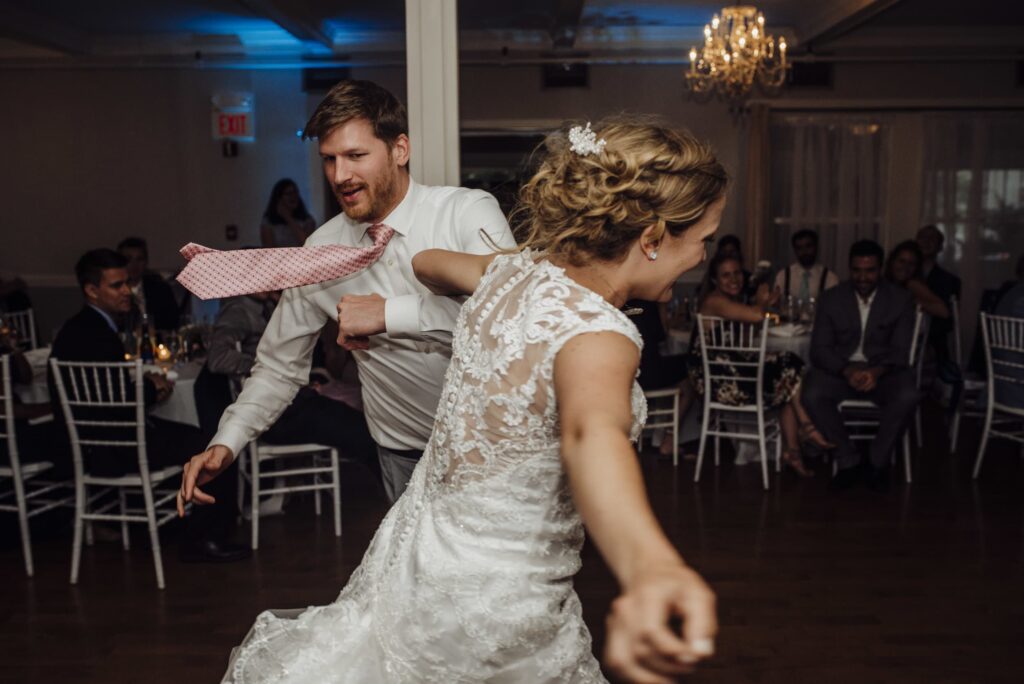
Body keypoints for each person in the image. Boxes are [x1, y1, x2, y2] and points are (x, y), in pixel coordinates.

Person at [182, 117, 720, 683]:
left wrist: (425, 299)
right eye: (703, 239)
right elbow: (592, 436)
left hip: (424, 554)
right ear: (653, 239)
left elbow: (426, 262)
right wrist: (650, 566)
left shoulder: (513, 275)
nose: (703, 256)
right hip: (497, 593)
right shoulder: (600, 335)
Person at [177, 79, 515, 508]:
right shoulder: (319, 253)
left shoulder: (465, 212)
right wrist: (227, 441)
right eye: (329, 160)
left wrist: (388, 315)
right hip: (402, 457)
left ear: (400, 150)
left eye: (356, 156)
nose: (341, 176)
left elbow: (506, 324)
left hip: (495, 452)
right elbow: (279, 367)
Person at [689, 253, 828, 476]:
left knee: (787, 366)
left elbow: (742, 343)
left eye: (736, 273)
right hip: (716, 381)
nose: (734, 279)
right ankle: (804, 430)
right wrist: (762, 303)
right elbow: (757, 316)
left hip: (734, 370)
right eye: (726, 275)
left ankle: (794, 447)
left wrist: (761, 307)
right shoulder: (714, 301)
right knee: (787, 371)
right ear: (715, 280)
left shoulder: (733, 301)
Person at [801, 240, 919, 492]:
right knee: (812, 392)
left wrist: (875, 372)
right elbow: (819, 350)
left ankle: (877, 462)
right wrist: (848, 370)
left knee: (908, 393)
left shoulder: (900, 299)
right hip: (843, 371)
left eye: (870, 271)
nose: (863, 277)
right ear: (849, 268)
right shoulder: (832, 298)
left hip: (884, 372)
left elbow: (900, 351)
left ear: (880, 268)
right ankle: (847, 459)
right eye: (857, 270)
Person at [916, 225, 961, 362]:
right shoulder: (903, 274)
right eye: (923, 238)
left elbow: (948, 321)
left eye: (932, 239)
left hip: (933, 343)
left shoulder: (950, 281)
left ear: (940, 247)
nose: (926, 242)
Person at [117, 237, 180, 332]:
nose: (134, 265)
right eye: (128, 259)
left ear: (146, 262)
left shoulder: (161, 289)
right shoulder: (113, 291)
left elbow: (174, 324)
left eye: (139, 259)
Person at [885, 240, 950, 319]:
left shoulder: (912, 285)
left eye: (911, 264)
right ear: (892, 261)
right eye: (901, 261)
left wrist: (912, 302)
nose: (905, 267)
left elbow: (943, 311)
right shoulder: (882, 282)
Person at [774, 229, 839, 302]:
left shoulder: (830, 278)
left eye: (808, 246)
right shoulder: (783, 276)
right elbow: (775, 304)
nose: (804, 251)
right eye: (799, 248)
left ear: (816, 247)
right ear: (795, 250)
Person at [259, 178, 318, 248]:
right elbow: (269, 249)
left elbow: (307, 243)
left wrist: (288, 218)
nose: (293, 196)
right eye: (289, 193)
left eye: (295, 192)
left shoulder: (308, 220)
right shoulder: (268, 222)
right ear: (279, 197)